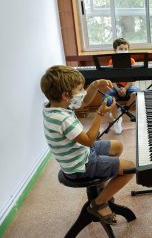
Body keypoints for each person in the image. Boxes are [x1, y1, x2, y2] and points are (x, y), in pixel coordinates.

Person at [40, 65, 135, 224]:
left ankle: (102, 191)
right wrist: (100, 113)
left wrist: (95, 85)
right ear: (65, 95)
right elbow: (90, 140)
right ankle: (98, 204)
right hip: (79, 166)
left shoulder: (54, 105)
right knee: (130, 168)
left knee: (117, 146)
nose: (83, 91)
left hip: (80, 152)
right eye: (80, 89)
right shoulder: (62, 119)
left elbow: (83, 102)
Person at [105, 38, 140, 134]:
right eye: (121, 49)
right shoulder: (111, 62)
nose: (123, 51)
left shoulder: (131, 61)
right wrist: (117, 88)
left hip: (128, 86)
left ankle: (123, 109)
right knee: (109, 98)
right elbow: (111, 79)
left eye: (125, 48)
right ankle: (117, 120)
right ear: (115, 50)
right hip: (116, 86)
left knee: (138, 94)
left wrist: (125, 88)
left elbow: (132, 79)